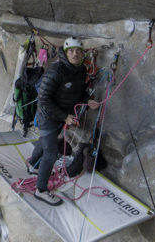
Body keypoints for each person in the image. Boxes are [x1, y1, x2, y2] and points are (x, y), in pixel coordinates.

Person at [26, 37, 100, 206]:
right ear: (66, 53)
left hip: (60, 116)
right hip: (47, 116)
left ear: (82, 53)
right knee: (51, 152)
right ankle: (40, 191)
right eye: (71, 51)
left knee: (46, 141)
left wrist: (87, 100)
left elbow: (79, 92)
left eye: (78, 51)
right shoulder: (56, 71)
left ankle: (32, 166)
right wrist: (64, 116)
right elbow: (43, 98)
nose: (75, 54)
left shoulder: (81, 70)